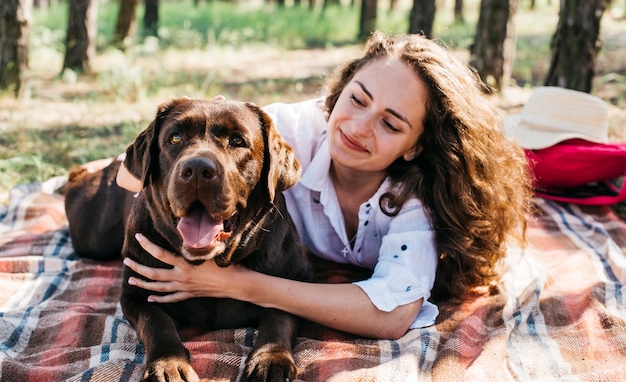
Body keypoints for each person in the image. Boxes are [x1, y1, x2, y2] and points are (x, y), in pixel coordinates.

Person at [117, 31, 532, 340]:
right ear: (340, 91)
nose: (357, 127)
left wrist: (234, 284)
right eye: (357, 99)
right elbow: (129, 169)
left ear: (415, 146)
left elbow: (389, 314)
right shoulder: (290, 130)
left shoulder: (418, 198)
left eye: (390, 123)